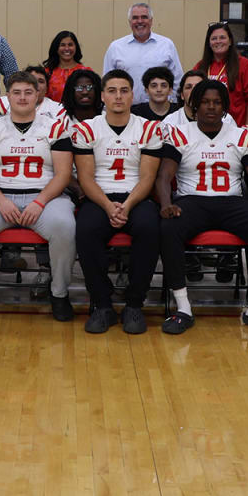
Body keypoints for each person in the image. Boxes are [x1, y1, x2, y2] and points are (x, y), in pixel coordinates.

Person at [156, 79, 248, 334]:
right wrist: (166, 204)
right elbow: (163, 176)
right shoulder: (180, 133)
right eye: (205, 102)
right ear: (194, 105)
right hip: (192, 200)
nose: (211, 107)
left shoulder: (241, 135)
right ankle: (183, 308)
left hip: (232, 201)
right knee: (168, 228)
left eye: (217, 102)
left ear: (225, 107)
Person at [0, 72, 76, 321]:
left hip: (45, 197)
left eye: (28, 92)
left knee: (65, 226)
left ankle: (59, 294)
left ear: (38, 95)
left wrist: (40, 201)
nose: (23, 97)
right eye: (17, 92)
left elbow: (63, 174)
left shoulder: (55, 128)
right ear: (7, 96)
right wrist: (0, 200)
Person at [73, 70, 163, 334]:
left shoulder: (148, 128)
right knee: (86, 229)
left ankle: (135, 304)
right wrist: (108, 205)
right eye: (112, 90)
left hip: (135, 196)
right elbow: (86, 178)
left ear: (133, 94)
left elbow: (147, 177)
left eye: (124, 90)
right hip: (100, 196)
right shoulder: (87, 129)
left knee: (149, 228)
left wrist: (127, 205)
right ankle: (102, 305)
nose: (118, 96)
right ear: (102, 96)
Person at [101, 3, 185, 105]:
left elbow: (177, 79)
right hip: (128, 110)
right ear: (129, 22)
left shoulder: (167, 45)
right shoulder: (116, 47)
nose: (140, 21)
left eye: (144, 17)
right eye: (135, 18)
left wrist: (172, 104)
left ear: (151, 21)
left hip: (160, 110)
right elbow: (107, 82)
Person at [194, 22, 248, 125]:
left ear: (230, 41)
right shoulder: (200, 66)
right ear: (209, 43)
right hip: (206, 128)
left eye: (222, 37)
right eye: (214, 38)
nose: (218, 41)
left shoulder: (244, 65)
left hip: (236, 129)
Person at [0, 66, 66, 121]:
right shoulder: (2, 103)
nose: (36, 84)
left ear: (46, 89)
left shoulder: (58, 109)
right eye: (32, 80)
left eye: (41, 81)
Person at [42, 31, 92, 102]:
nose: (67, 48)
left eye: (70, 45)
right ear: (56, 48)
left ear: (76, 47)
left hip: (79, 112)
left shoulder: (86, 72)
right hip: (52, 112)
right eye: (62, 45)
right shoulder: (47, 72)